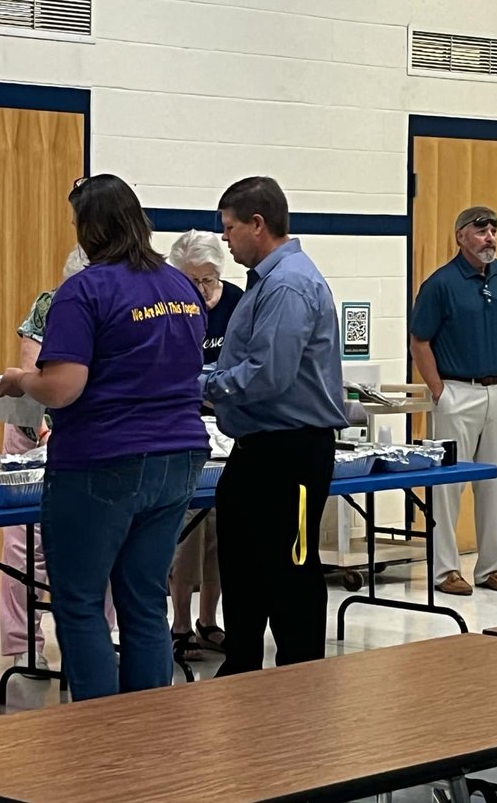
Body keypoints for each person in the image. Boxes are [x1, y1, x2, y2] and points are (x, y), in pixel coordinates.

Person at [0, 174, 209, 701]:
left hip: (104, 459)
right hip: (179, 457)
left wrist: (20, 380)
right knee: (142, 599)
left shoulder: (85, 289)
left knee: (82, 601)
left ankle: (98, 733)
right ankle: (148, 726)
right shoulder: (180, 285)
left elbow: (63, 388)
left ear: (90, 228)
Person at [201, 176, 346, 675]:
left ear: (257, 225)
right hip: (260, 449)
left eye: (230, 228)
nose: (225, 238)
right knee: (243, 558)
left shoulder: (287, 284)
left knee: (291, 567)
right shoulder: (265, 281)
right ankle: (242, 663)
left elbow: (269, 375)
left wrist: (202, 388)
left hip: (291, 452)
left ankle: (299, 676)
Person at [0, 246, 117, 674]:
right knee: (22, 544)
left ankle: (95, 639)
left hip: (89, 434)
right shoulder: (49, 306)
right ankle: (23, 646)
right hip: (34, 430)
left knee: (96, 539)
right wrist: (44, 425)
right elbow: (33, 373)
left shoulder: (115, 306)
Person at [410, 206, 497, 597]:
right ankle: (446, 570)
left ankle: (491, 567)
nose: (490, 237)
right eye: (480, 231)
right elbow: (420, 342)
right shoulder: (440, 284)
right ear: (461, 236)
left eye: (493, 230)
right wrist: (439, 392)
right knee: (447, 488)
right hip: (456, 392)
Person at [165, 230, 244, 660]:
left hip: (228, 425)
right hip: (185, 426)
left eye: (210, 279)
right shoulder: (171, 309)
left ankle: (209, 620)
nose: (203, 289)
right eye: (194, 280)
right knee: (189, 532)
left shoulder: (235, 304)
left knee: (221, 532)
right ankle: (179, 623)